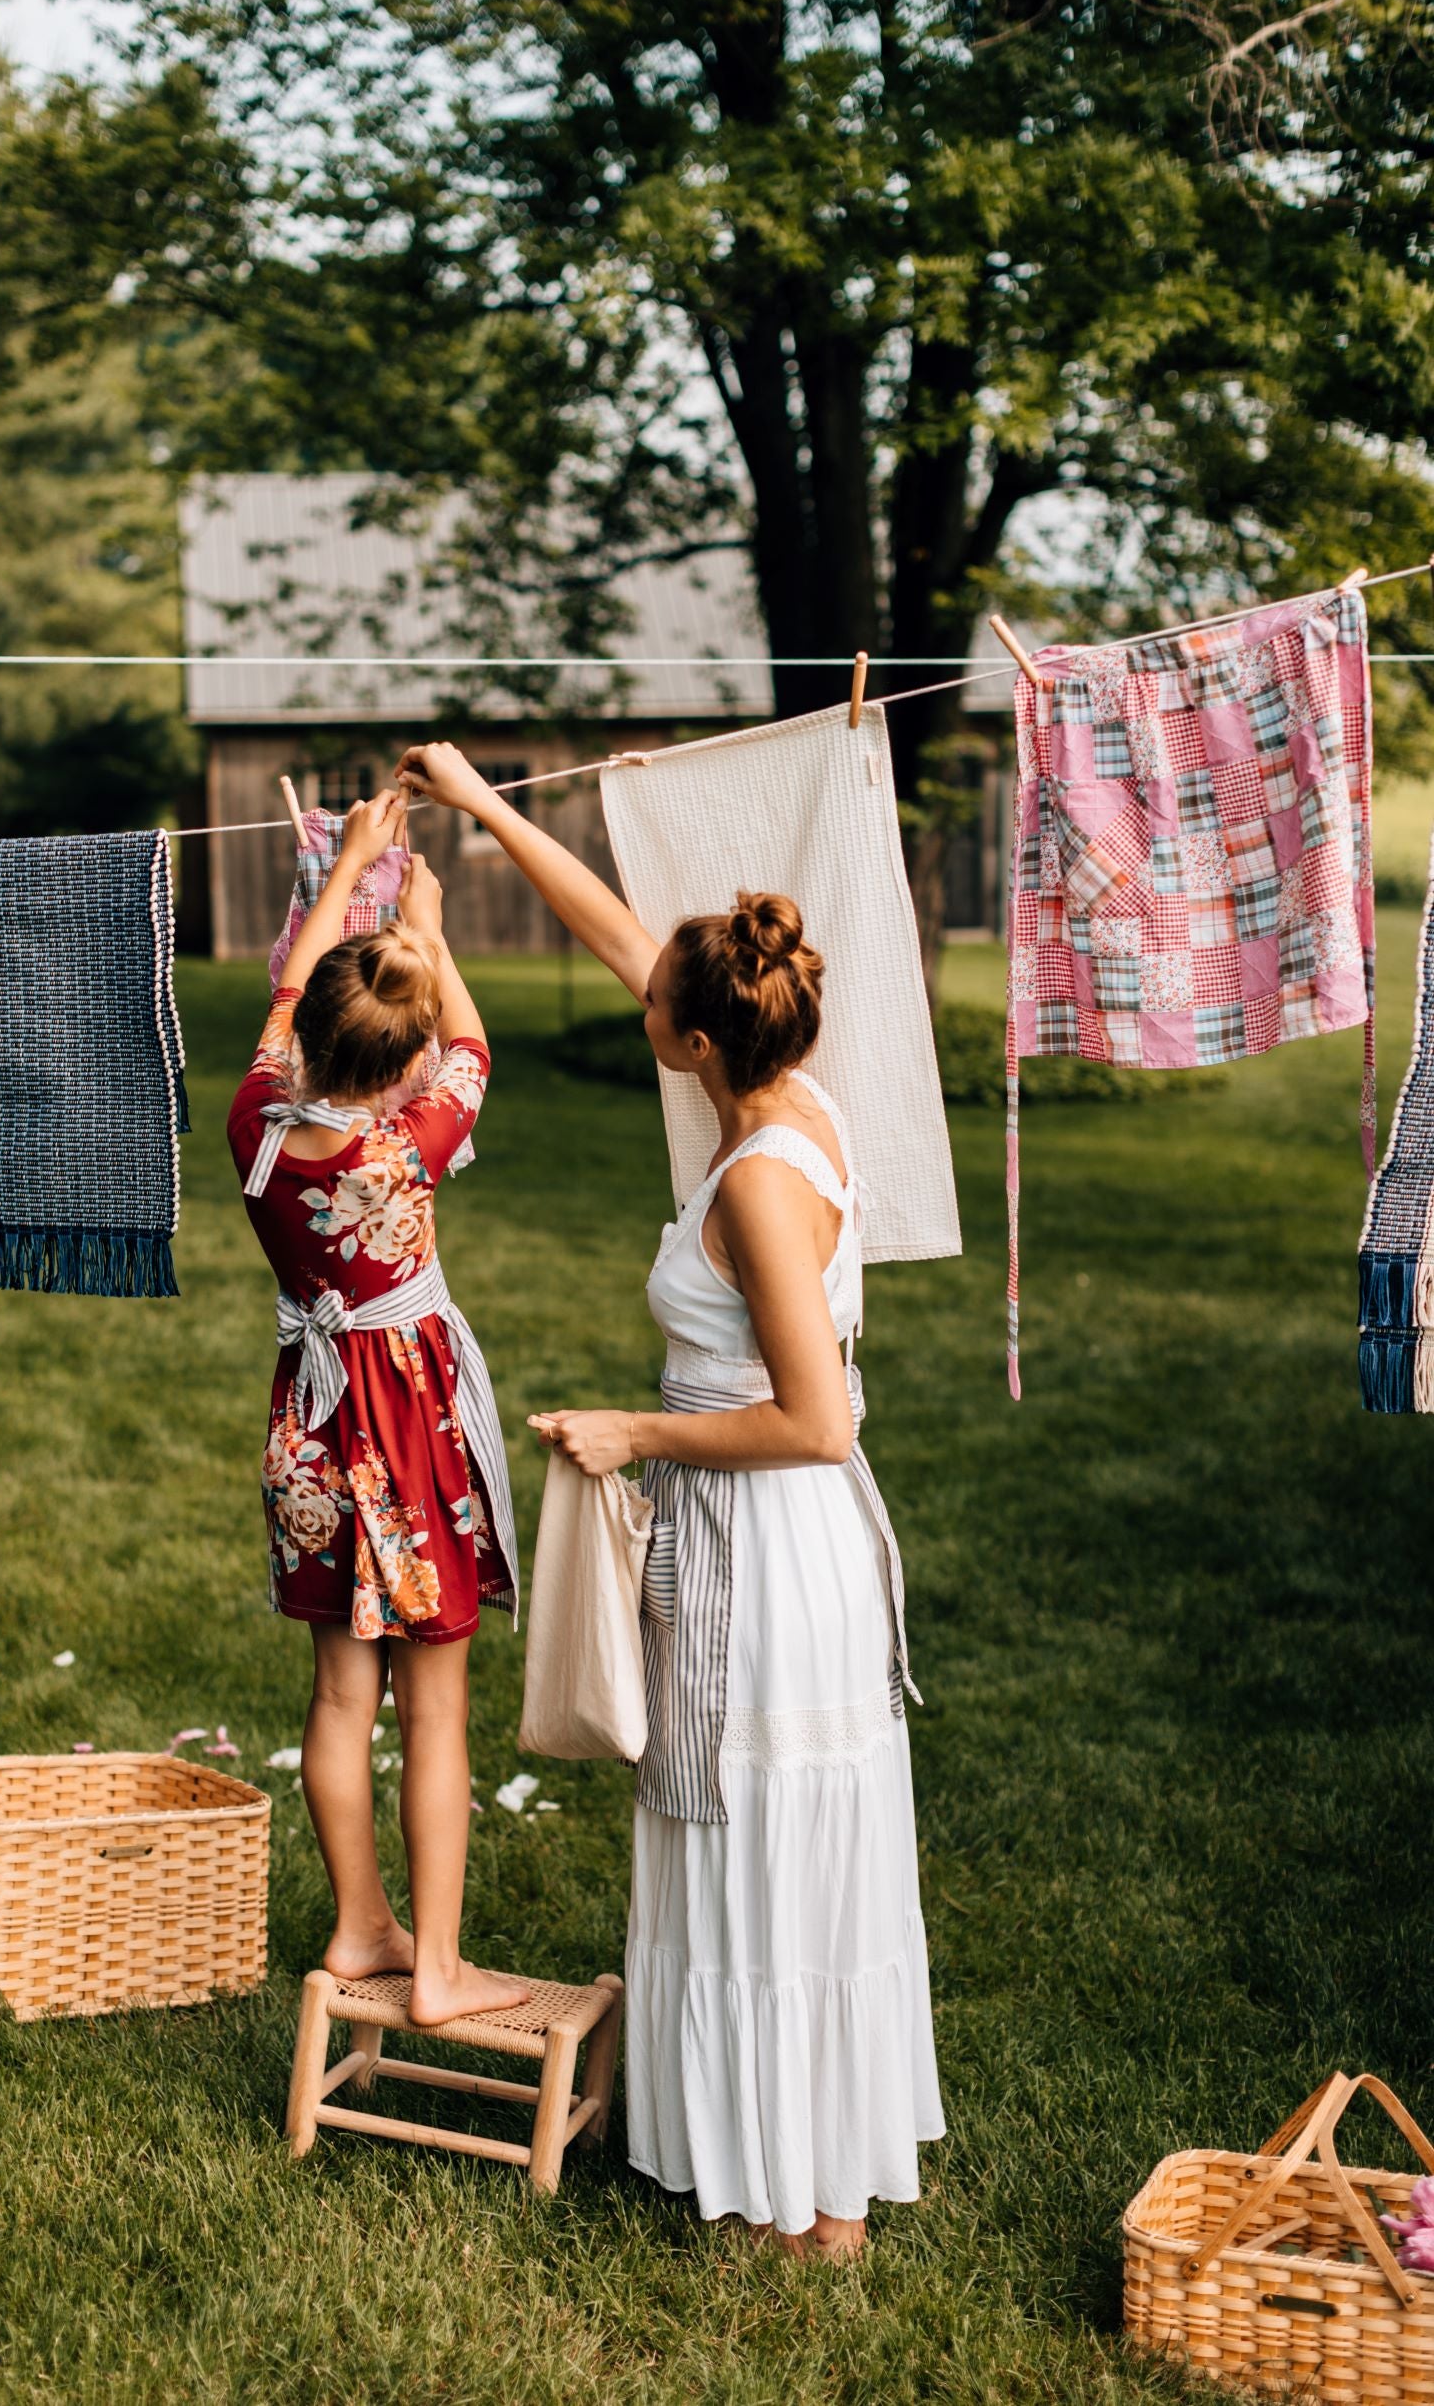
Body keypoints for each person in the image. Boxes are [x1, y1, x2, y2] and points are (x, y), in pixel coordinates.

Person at [395, 743, 943, 2257]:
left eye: (657, 1009)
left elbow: (819, 1422)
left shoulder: (761, 1177)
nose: (639, 1001)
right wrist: (492, 810)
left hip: (771, 1549)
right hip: (765, 1545)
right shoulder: (777, 1096)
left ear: (697, 1044)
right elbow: (627, 938)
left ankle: (803, 2201)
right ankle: (802, 2175)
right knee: (767, 1851)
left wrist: (634, 1430)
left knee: (760, 1846)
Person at [226, 790, 526, 2027]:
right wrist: (430, 928)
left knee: (342, 1694)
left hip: (307, 1421)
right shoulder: (407, 1143)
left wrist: (347, 864)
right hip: (405, 1432)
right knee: (435, 1703)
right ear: (404, 1072)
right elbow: (476, 1049)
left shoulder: (255, 1122)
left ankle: (361, 1923)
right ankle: (439, 1966)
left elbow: (287, 999)